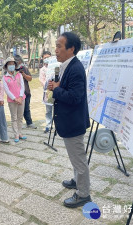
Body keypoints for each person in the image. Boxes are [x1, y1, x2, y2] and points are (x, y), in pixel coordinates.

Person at [47, 32, 91, 208]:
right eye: (55, 46)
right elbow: (63, 89)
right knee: (75, 157)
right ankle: (76, 181)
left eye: (59, 46)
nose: (55, 50)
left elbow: (75, 97)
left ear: (71, 48)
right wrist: (55, 87)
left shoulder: (76, 68)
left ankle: (83, 194)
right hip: (68, 121)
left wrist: (56, 90)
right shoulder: (66, 66)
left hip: (73, 122)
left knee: (79, 159)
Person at [2, 57, 27, 143]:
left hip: (21, 99)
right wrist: (15, 98)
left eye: (13, 64)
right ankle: (15, 133)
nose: (11, 65)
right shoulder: (4, 77)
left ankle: (20, 132)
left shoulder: (19, 74)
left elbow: (22, 86)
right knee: (14, 118)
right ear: (6, 66)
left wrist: (20, 97)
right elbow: (7, 90)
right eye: (10, 64)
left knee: (20, 117)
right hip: (12, 101)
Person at [14, 55, 37, 129]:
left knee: (26, 108)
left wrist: (23, 74)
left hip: (25, 92)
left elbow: (30, 78)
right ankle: (19, 123)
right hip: (16, 94)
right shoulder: (12, 70)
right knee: (18, 110)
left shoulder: (24, 68)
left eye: (18, 61)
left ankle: (29, 123)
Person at [39, 51, 53, 133]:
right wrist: (48, 86)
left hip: (57, 90)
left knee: (58, 110)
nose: (47, 59)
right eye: (45, 58)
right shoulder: (42, 70)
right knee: (48, 110)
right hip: (48, 92)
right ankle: (48, 125)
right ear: (42, 59)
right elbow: (42, 80)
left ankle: (59, 126)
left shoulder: (56, 66)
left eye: (48, 57)